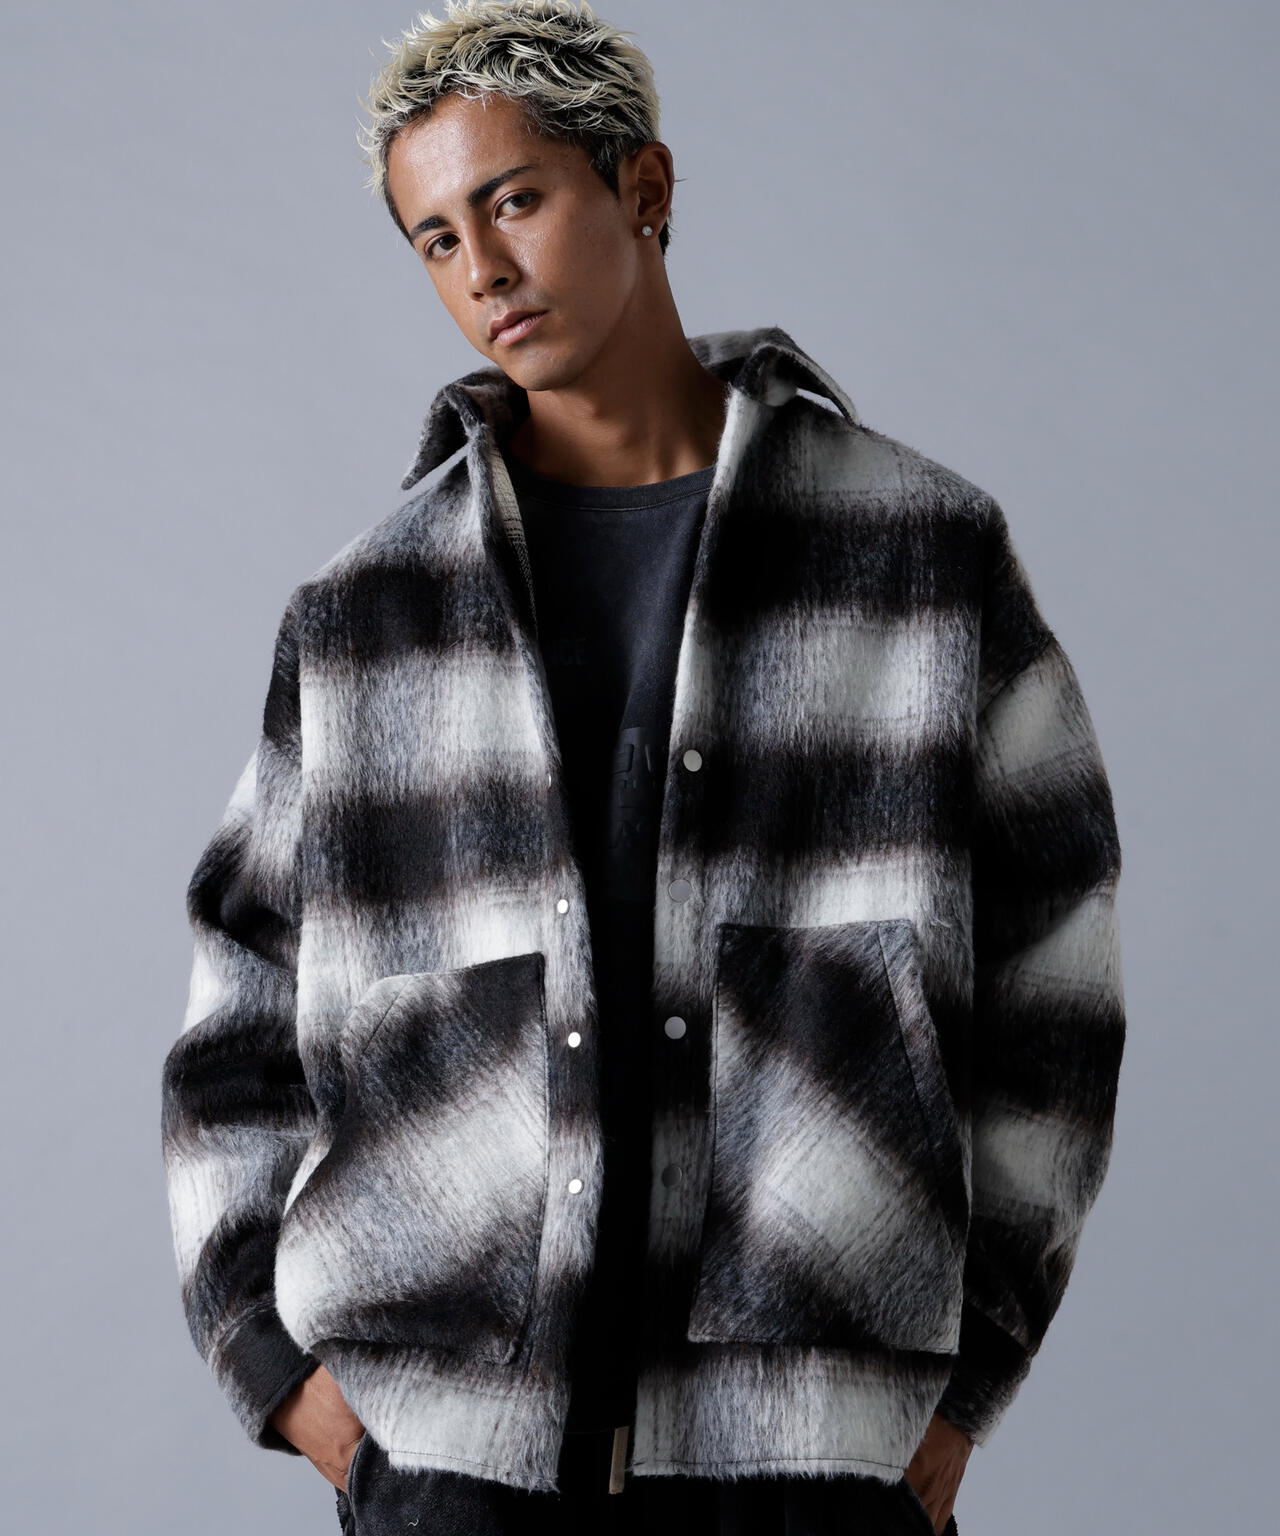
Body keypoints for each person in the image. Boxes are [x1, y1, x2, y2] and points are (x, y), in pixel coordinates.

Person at [159, 3, 1126, 1533]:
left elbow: (1055, 979)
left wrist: (965, 1383)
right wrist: (284, 1375)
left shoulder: (920, 556)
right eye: (435, 238)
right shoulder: (369, 613)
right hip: (455, 1458)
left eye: (515, 200)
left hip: (810, 1452)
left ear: (645, 187)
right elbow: (239, 1012)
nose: (482, 268)